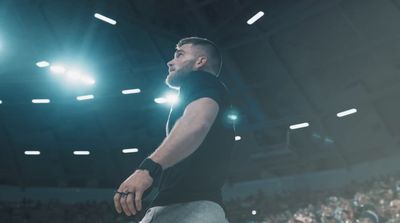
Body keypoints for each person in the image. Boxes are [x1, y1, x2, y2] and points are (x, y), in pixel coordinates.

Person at [113, 37, 235, 222]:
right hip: (193, 207)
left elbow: (197, 123)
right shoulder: (209, 88)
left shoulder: (200, 79)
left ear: (200, 61)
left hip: (187, 210)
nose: (170, 62)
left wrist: (147, 170)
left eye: (179, 55)